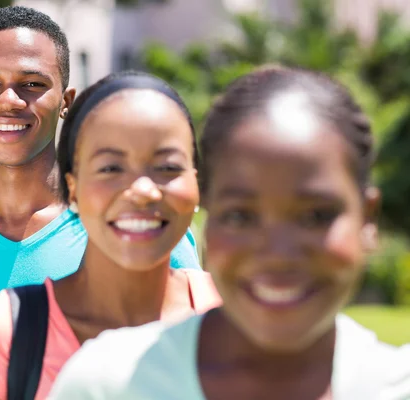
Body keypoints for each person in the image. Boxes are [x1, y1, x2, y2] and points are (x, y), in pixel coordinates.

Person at [48, 66, 410, 400]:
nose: (278, 253)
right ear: (206, 213)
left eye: (315, 215)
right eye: (240, 217)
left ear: (367, 218)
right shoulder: (109, 384)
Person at [0, 6, 202, 377]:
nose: (9, 100)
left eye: (33, 84)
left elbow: (192, 369)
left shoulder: (135, 225)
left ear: (66, 101)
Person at [0, 70, 221, 400]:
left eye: (168, 167)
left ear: (196, 184)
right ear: (72, 189)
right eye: (111, 168)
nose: (143, 191)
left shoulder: (239, 316)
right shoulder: (1, 337)